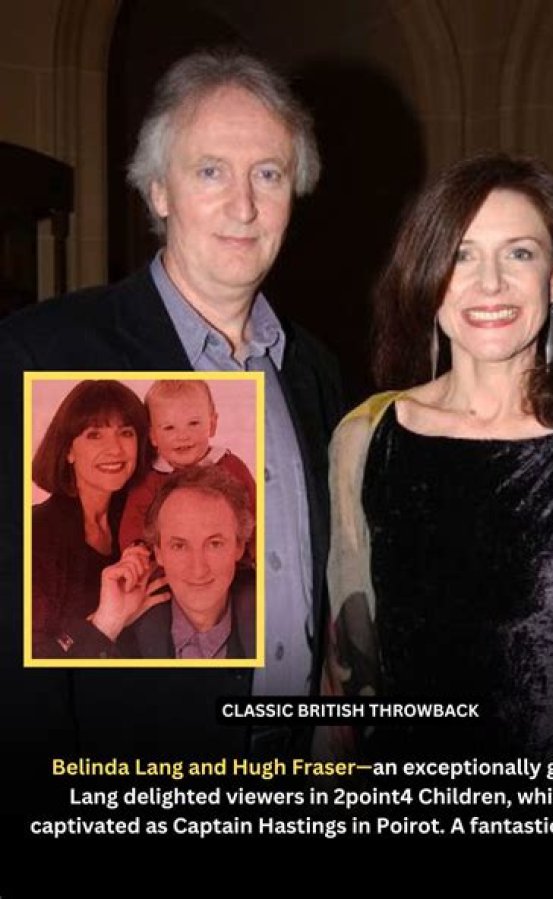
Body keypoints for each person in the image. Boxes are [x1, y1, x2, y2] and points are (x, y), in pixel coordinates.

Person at [324, 152, 553, 807]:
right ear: (428, 275)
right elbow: (345, 675)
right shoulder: (364, 436)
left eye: (519, 253)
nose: (489, 283)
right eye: (461, 255)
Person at [0, 49, 343, 701]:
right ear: (159, 190)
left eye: (268, 174)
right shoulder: (40, 354)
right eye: (211, 171)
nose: (244, 206)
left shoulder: (314, 371)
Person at [31, 379, 169, 658]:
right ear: (68, 450)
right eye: (95, 435)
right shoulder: (36, 533)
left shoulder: (143, 513)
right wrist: (106, 623)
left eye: (126, 433)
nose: (115, 449)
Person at [61, 466, 256, 661]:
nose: (198, 569)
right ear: (158, 552)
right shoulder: (120, 636)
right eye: (179, 546)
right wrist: (107, 623)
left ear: (239, 546)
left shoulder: (269, 620)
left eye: (215, 544)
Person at [118, 379, 256, 560]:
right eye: (169, 428)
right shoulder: (150, 479)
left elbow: (257, 510)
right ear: (153, 436)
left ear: (212, 424)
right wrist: (137, 549)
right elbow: (133, 521)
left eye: (193, 423)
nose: (182, 436)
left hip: (229, 559)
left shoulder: (230, 466)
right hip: (170, 563)